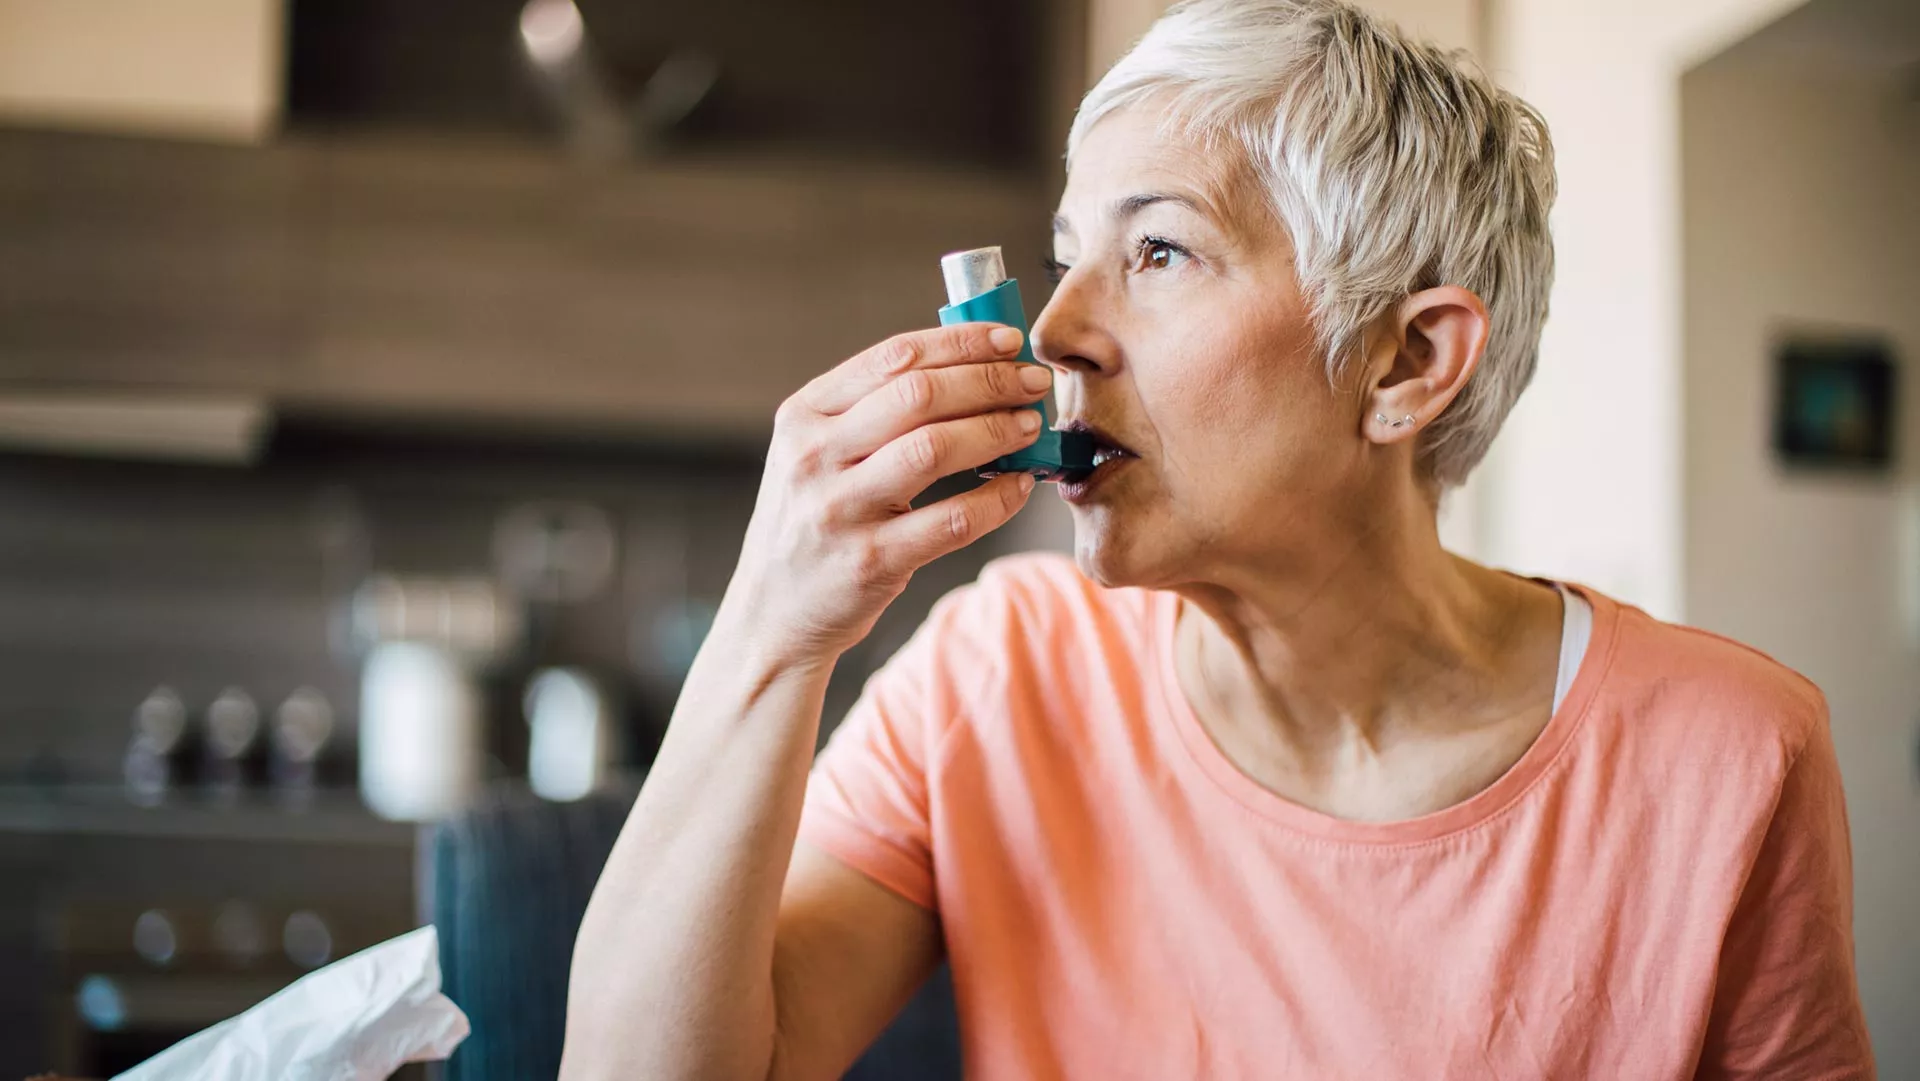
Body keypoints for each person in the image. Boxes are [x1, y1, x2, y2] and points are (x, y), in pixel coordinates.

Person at [560, 1, 1876, 1077]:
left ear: (1408, 362)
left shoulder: (1731, 754)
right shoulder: (998, 674)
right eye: (1067, 258)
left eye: (1160, 252)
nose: (1055, 332)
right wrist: (772, 626)